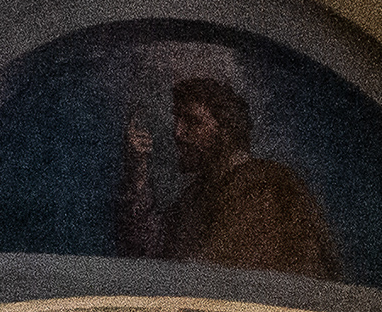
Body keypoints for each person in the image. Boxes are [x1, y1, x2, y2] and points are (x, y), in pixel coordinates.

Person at [116, 75, 339, 278]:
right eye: (177, 120)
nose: (178, 133)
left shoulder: (266, 189)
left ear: (226, 130)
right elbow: (152, 253)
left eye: (192, 122)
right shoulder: (197, 194)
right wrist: (139, 171)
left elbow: (207, 278)